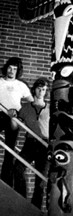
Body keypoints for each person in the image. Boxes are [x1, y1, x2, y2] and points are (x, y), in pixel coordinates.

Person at [13, 77, 50, 209]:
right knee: (18, 167)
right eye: (39, 88)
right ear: (34, 89)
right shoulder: (25, 108)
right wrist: (13, 115)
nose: (41, 91)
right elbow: (15, 125)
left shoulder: (50, 109)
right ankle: (22, 200)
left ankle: (35, 208)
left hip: (44, 145)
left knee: (40, 180)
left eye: (44, 89)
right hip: (29, 143)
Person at [0, 57, 33, 186]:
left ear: (18, 71)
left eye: (15, 69)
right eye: (10, 67)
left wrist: (21, 115)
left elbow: (31, 103)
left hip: (14, 118)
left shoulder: (21, 85)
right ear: (6, 68)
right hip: (0, 115)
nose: (12, 71)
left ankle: (5, 181)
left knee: (10, 150)